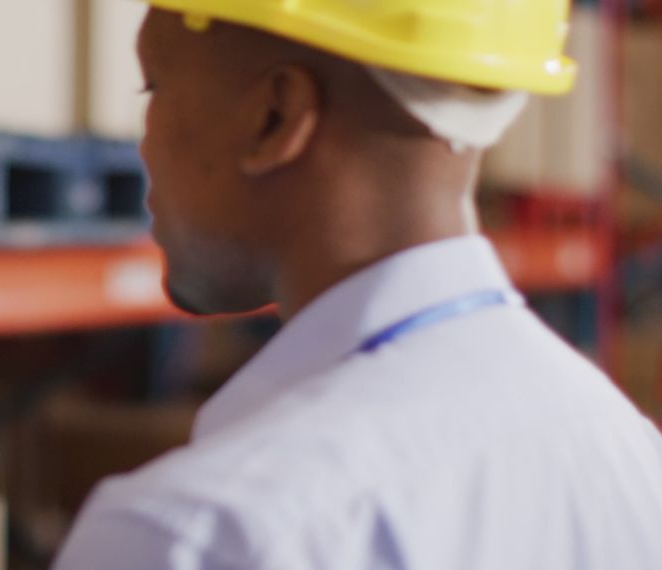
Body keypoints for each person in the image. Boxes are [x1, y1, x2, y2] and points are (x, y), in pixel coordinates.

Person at [54, 1, 662, 568]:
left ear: (276, 116)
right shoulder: (627, 454)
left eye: (155, 85)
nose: (144, 144)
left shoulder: (197, 536)